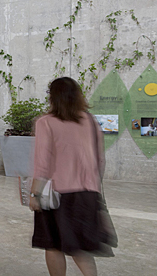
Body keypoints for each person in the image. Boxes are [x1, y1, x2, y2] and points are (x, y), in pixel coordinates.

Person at [30, 77, 108, 276]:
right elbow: (99, 161)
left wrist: (34, 194)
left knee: (53, 245)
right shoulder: (89, 121)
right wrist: (92, 186)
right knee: (80, 248)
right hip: (87, 195)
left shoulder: (45, 123)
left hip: (56, 196)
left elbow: (43, 163)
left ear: (53, 97)